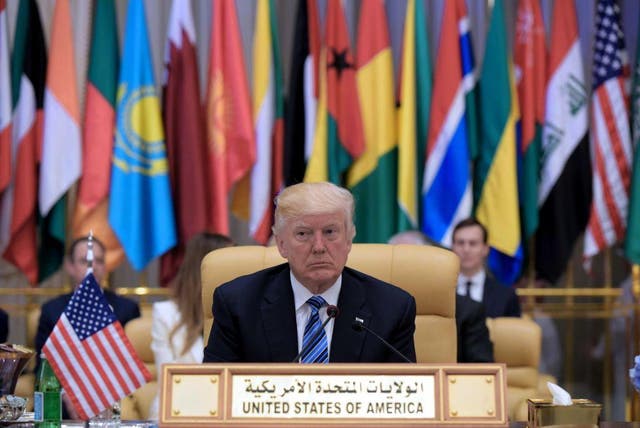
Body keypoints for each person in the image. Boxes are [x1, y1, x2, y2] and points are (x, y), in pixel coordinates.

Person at [203, 181, 417, 363]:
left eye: (330, 232)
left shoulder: (392, 309)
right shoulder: (238, 304)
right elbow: (217, 393)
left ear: (349, 240)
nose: (319, 246)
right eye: (303, 234)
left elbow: (406, 399)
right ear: (281, 244)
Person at [148, 233, 233, 420]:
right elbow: (170, 385)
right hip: (178, 413)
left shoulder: (241, 311)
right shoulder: (166, 314)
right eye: (228, 266)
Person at [35, 235, 140, 370]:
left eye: (99, 261)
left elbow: (133, 366)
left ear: (105, 266)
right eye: (85, 261)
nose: (93, 267)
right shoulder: (51, 311)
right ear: (70, 266)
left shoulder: (128, 309)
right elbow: (42, 367)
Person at [389, 231, 493, 363]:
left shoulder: (468, 310)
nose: (405, 269)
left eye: (410, 262)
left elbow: (481, 370)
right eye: (398, 263)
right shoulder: (379, 307)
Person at [451, 218, 521, 318]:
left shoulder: (506, 296)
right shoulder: (439, 293)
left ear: (485, 249)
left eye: (473, 243)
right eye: (461, 243)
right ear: (452, 247)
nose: (466, 249)